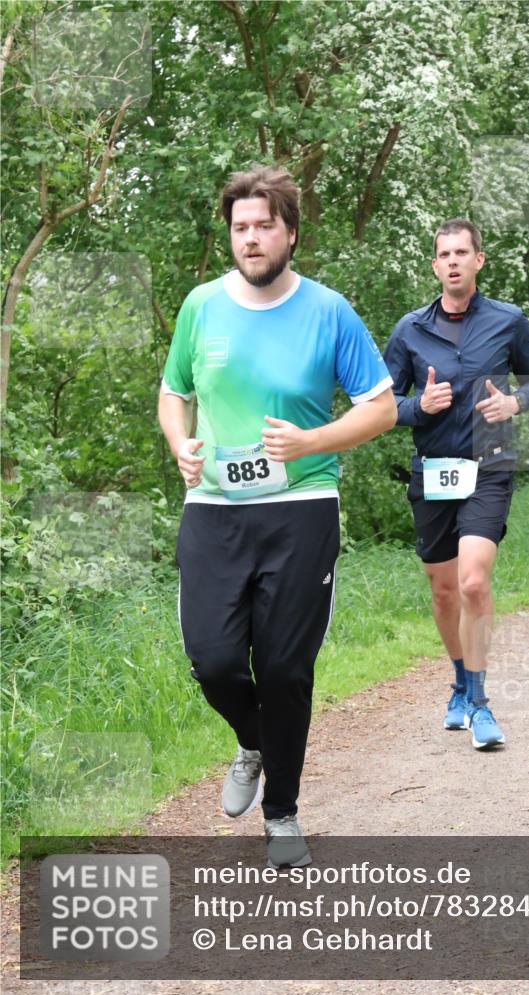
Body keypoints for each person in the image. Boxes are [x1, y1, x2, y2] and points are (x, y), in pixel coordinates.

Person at [158, 164, 395, 867]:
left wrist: (312, 441)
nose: (251, 238)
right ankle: (253, 738)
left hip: (300, 508)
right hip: (214, 509)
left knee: (287, 668)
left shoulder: (328, 311)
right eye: (240, 228)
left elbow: (379, 406)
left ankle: (282, 814)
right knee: (215, 659)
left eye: (264, 226)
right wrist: (181, 443)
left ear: (290, 233)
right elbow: (173, 393)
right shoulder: (200, 306)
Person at [383, 219, 529, 750]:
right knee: (444, 588)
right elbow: (381, 405)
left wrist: (514, 402)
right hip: (433, 473)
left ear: (479, 260)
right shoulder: (409, 330)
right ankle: (459, 680)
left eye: (462, 252)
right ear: (434, 265)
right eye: (443, 254)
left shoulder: (508, 320)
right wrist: (416, 406)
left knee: (474, 582)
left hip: (490, 465)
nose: (453, 261)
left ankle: (479, 703)